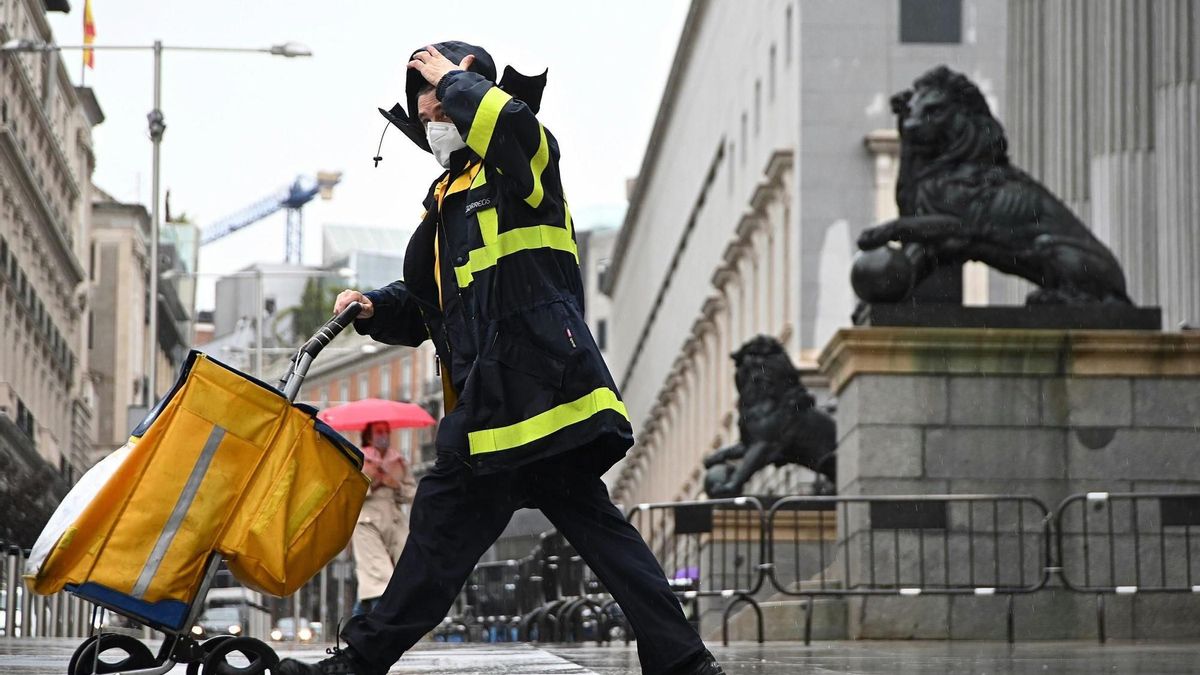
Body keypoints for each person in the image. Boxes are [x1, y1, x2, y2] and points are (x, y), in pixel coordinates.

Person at [278, 41, 723, 675]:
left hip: (532, 390)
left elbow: (509, 125)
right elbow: (440, 301)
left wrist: (455, 78)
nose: (427, 107)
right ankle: (683, 663)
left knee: (441, 537)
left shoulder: (523, 157)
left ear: (472, 94)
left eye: (434, 91)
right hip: (497, 405)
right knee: (583, 532)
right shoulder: (448, 197)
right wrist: (376, 307)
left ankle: (357, 664)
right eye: (421, 98)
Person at [351, 421, 416, 616]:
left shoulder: (398, 461)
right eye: (379, 432)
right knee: (380, 577)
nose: (384, 436)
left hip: (395, 523)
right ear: (369, 436)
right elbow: (349, 493)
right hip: (368, 522)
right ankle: (379, 626)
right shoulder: (359, 460)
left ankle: (358, 623)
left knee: (399, 575)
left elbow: (412, 493)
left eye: (386, 431)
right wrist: (374, 483)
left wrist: (396, 485)